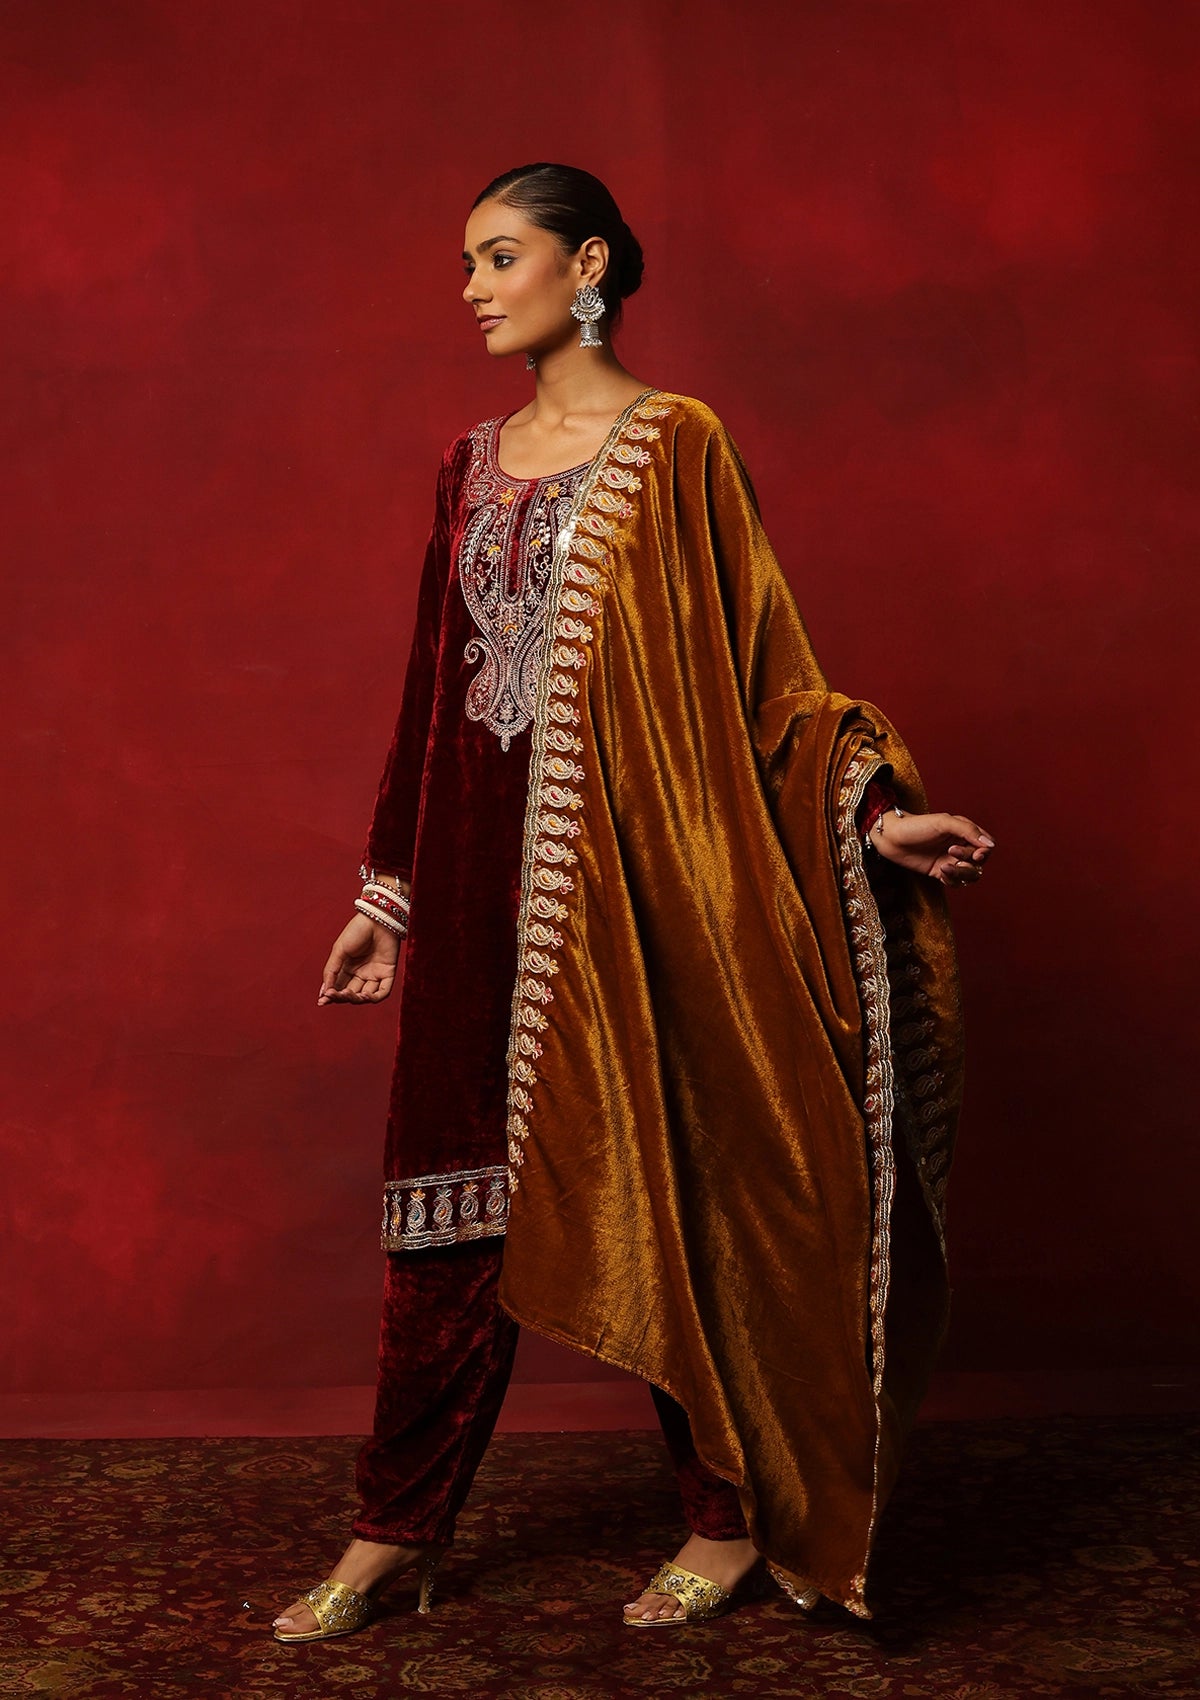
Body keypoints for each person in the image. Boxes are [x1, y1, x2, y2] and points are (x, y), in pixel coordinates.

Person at [271, 162, 994, 1643]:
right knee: (446, 1221)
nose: (473, 288)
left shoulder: (679, 444)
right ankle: (391, 1530)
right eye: (466, 262)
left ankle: (724, 1522)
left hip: (631, 892)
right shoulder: (466, 464)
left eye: (501, 256)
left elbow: (762, 671)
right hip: (473, 897)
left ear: (586, 263)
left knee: (665, 1192)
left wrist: (873, 814)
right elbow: (430, 693)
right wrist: (387, 901)